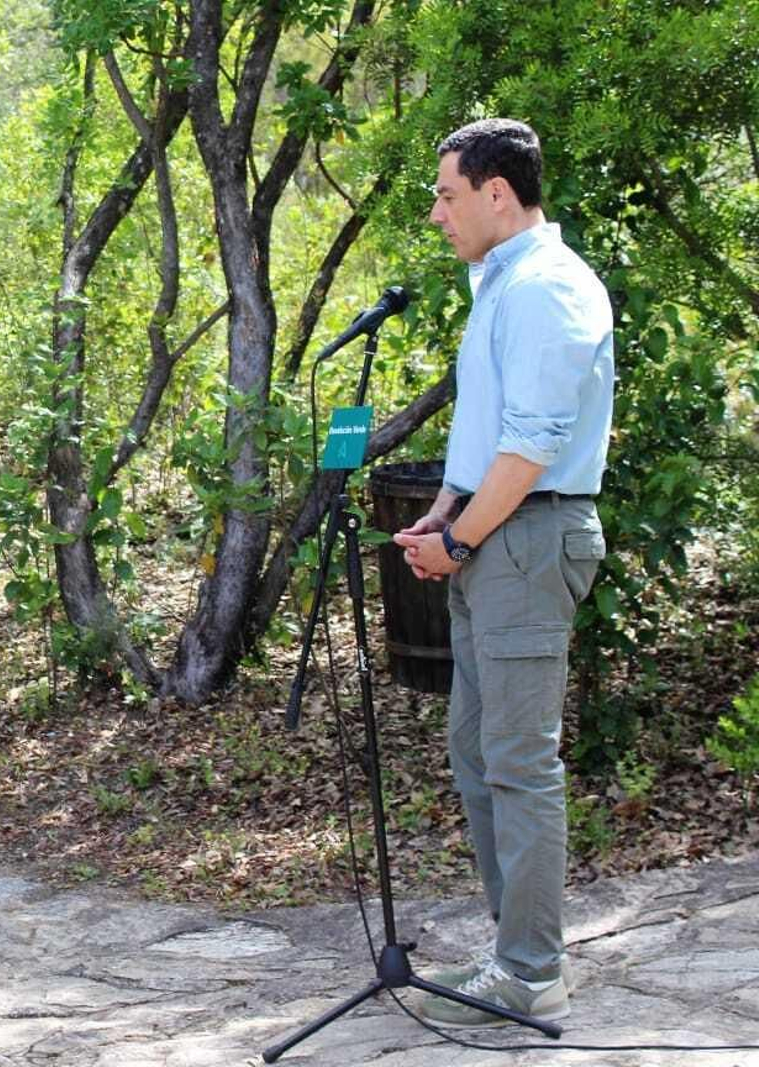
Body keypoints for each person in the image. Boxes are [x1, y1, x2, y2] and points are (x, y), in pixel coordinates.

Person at [393, 119, 613, 1027]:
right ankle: (516, 948)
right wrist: (445, 511)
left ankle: (530, 970)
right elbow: (484, 435)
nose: (437, 213)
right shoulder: (501, 286)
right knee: (478, 754)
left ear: (496, 192)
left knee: (519, 762)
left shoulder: (547, 288)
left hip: (525, 541)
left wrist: (464, 541)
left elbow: (531, 447)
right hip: (495, 537)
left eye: (447, 194)